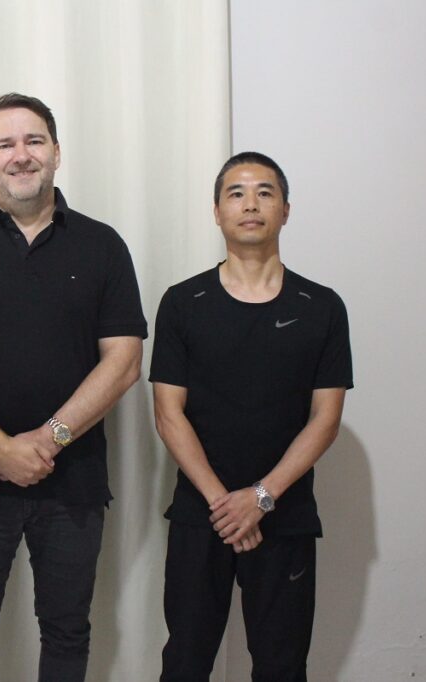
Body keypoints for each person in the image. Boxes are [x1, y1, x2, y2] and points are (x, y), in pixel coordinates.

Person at [0, 93, 147, 682]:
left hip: (73, 481)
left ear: (57, 152)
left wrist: (47, 440)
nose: (21, 155)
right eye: (5, 144)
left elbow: (123, 362)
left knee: (67, 631)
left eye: (34, 140)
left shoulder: (103, 246)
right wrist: (0, 447)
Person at [150, 151, 353, 682]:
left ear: (286, 210)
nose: (250, 204)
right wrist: (226, 505)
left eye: (265, 192)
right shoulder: (182, 302)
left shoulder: (322, 307)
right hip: (202, 514)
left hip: (284, 515)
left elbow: (326, 419)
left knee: (282, 667)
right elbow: (168, 414)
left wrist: (261, 498)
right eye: (236, 193)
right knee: (185, 663)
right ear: (217, 211)